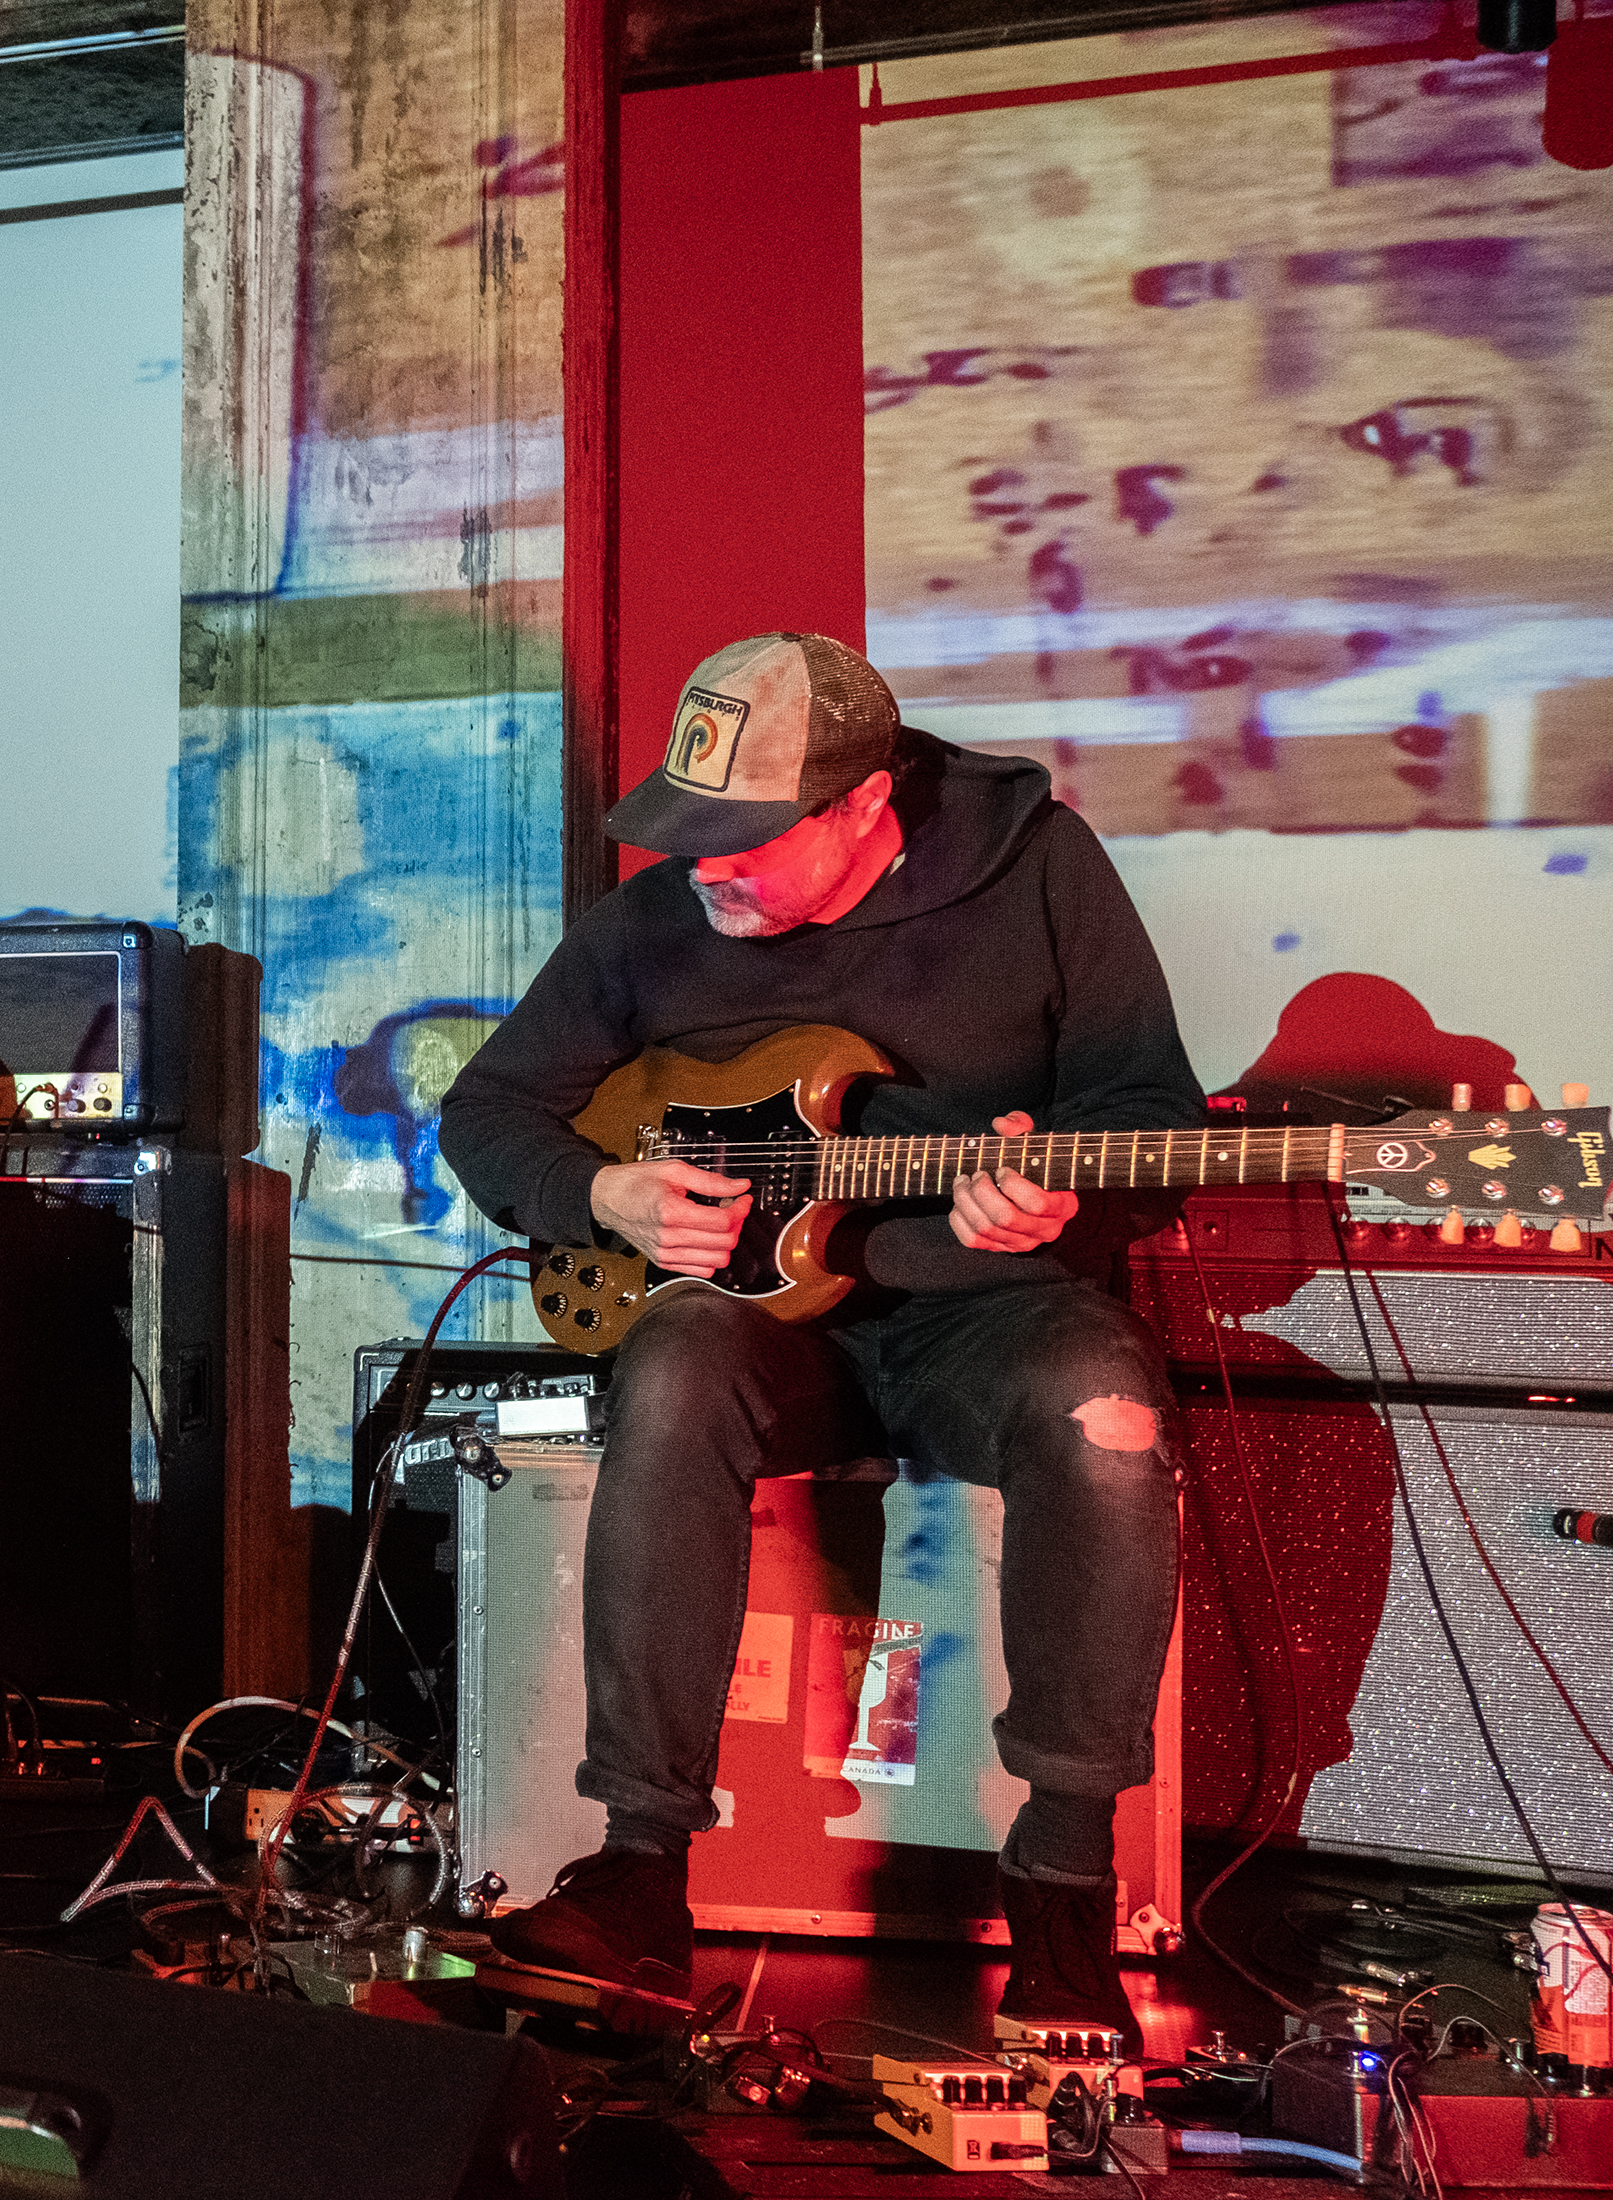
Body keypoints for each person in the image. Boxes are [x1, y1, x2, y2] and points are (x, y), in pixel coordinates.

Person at [438, 631, 1197, 2041]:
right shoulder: (657, 923)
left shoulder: (1035, 867)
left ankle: (1063, 1877)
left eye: (742, 840)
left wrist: (1057, 1197)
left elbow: (1142, 1109)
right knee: (669, 1364)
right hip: (773, 1334)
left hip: (988, 1312)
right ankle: (639, 1873)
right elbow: (486, 1114)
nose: (705, 867)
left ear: (863, 807)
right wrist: (601, 1191)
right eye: (687, 831)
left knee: (1108, 1411)